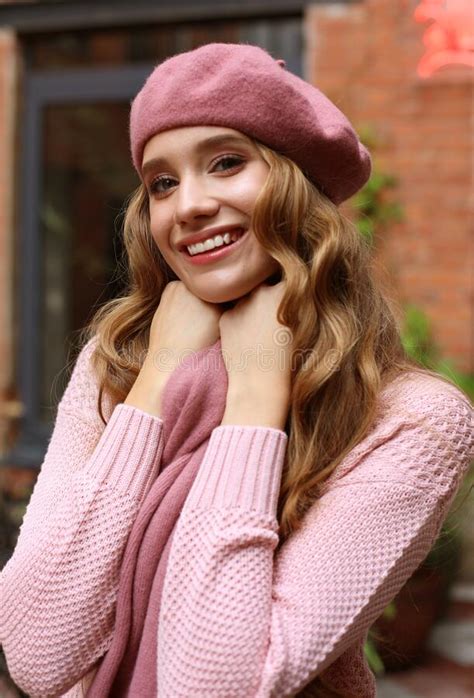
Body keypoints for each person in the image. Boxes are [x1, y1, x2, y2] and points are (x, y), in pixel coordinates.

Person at [1, 43, 473, 698]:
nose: (188, 204)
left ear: (297, 186)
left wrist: (255, 397)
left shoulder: (414, 420)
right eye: (163, 182)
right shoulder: (118, 363)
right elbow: (37, 652)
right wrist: (158, 376)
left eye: (226, 163)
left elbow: (210, 687)